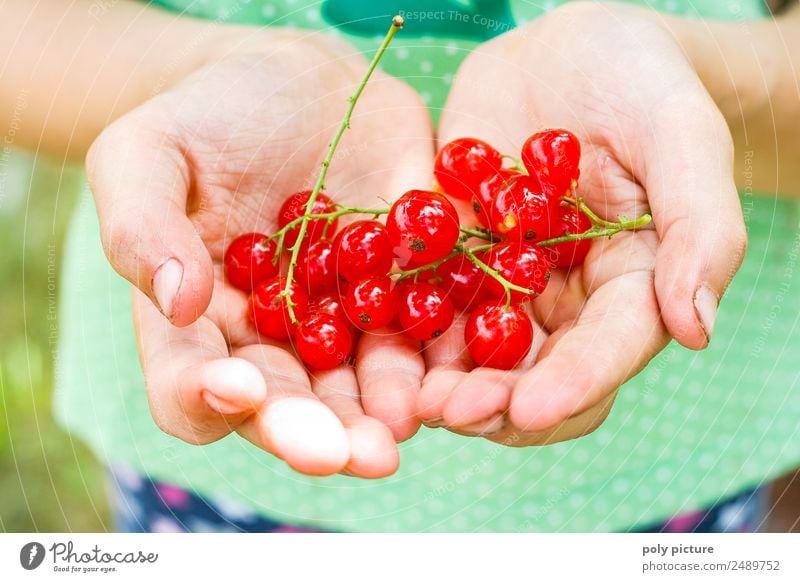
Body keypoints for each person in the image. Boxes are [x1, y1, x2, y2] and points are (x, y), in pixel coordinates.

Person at [2, 0, 798, 532]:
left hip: (671, 472)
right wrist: (197, 64)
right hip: (221, 478)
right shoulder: (331, 261)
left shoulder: (503, 234)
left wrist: (705, 82)